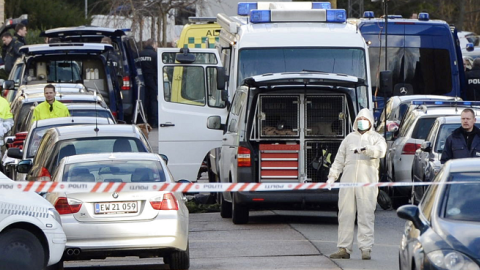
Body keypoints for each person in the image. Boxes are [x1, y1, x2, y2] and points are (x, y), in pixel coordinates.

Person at [327, 108, 387, 260]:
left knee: (366, 215)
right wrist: (332, 177)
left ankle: (365, 248)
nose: (361, 122)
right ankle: (343, 248)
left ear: (370, 122)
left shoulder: (376, 138)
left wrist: (366, 150)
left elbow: (381, 151)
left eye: (365, 120)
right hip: (347, 183)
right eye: (359, 119)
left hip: (367, 184)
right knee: (345, 215)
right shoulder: (349, 139)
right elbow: (339, 160)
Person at [139, 39, 158, 128]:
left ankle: (142, 120)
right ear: (153, 44)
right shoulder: (155, 55)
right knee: (153, 101)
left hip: (141, 80)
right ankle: (153, 121)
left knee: (143, 100)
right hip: (153, 80)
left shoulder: (140, 54)